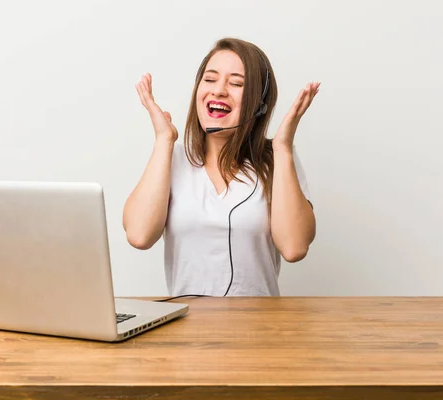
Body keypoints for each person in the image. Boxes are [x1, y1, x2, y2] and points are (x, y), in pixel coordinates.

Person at [123, 37, 318, 297]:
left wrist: (282, 149)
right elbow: (139, 235)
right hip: (187, 331)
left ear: (258, 104)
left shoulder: (278, 161)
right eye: (210, 79)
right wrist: (164, 139)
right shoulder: (172, 159)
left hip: (262, 331)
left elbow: (295, 247)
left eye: (236, 83)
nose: (218, 91)